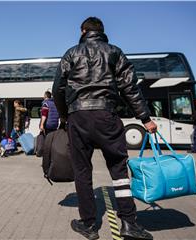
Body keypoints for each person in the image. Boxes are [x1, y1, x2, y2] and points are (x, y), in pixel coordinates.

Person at [53, 17, 157, 240]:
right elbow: (130, 88)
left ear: (83, 31)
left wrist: (64, 116)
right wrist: (145, 118)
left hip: (78, 117)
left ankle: (89, 225)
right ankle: (129, 223)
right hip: (107, 115)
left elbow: (58, 88)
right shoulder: (115, 52)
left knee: (82, 171)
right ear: (101, 31)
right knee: (119, 170)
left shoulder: (71, 53)